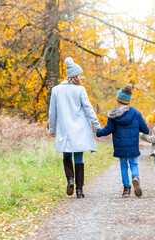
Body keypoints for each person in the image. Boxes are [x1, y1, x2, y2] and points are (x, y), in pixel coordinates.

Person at [49, 57, 101, 199]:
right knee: (79, 157)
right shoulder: (80, 90)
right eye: (80, 75)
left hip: (64, 129)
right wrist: (97, 125)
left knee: (67, 155)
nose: (82, 77)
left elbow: (52, 111)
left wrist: (52, 129)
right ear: (74, 76)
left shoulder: (56, 90)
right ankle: (79, 190)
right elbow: (89, 108)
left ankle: (70, 180)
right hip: (79, 129)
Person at [96, 84, 149, 197]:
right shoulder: (136, 113)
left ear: (118, 99)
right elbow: (145, 129)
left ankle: (126, 189)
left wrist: (98, 133)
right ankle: (135, 177)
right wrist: (145, 130)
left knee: (124, 165)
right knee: (134, 163)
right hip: (133, 145)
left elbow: (108, 129)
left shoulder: (113, 115)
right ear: (128, 100)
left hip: (120, 145)